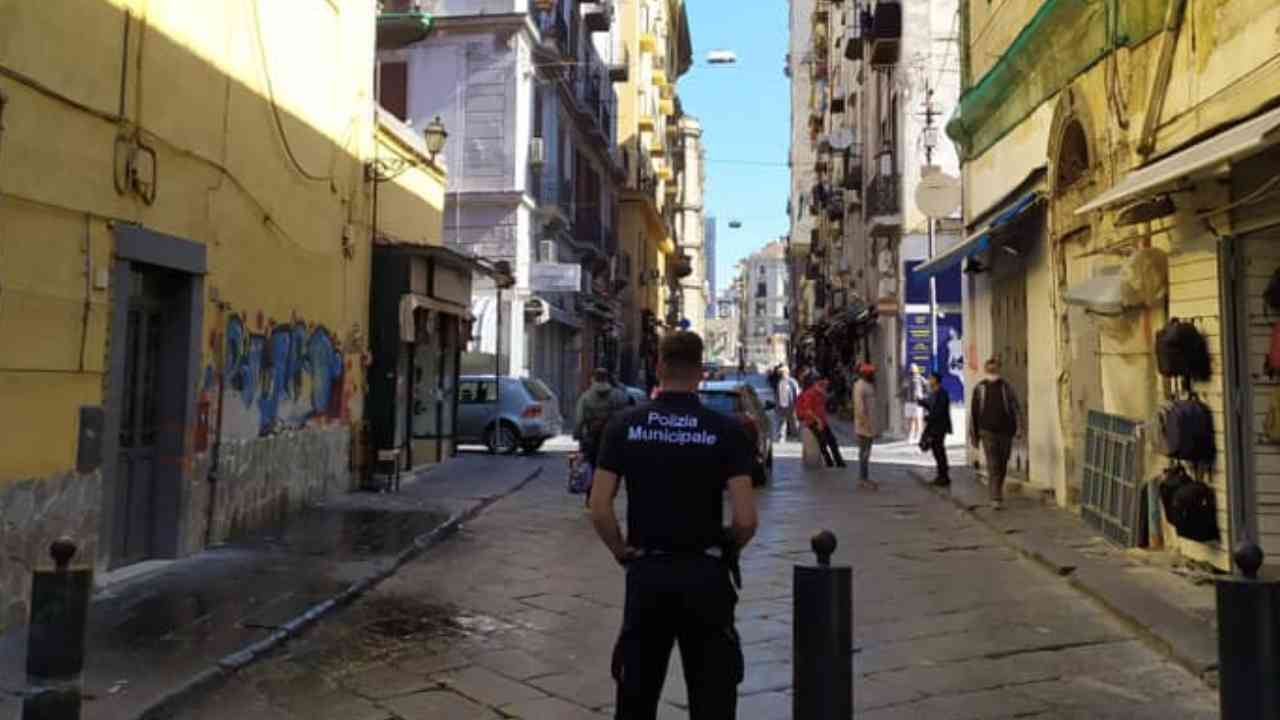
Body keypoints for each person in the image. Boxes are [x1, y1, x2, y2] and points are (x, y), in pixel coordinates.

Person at [589, 331, 759, 719]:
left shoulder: (623, 426)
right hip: (706, 576)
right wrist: (726, 549)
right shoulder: (726, 430)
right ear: (701, 372)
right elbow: (747, 519)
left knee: (636, 696)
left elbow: (599, 507)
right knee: (713, 697)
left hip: (648, 573)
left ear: (659, 367)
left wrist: (621, 551)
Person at [969, 357, 1022, 510]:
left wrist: (1018, 428)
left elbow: (1015, 408)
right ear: (986, 369)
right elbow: (974, 413)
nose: (992, 370)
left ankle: (997, 489)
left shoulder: (1007, 387)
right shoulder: (980, 388)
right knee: (993, 464)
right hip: (987, 431)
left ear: (998, 368)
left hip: (1006, 431)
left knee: (1003, 463)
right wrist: (974, 435)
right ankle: (995, 497)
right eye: (990, 367)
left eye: (995, 367)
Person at [575, 368, 629, 507]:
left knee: (591, 467)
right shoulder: (619, 395)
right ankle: (608, 496)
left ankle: (590, 497)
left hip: (592, 438)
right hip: (613, 437)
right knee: (611, 468)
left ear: (593, 379)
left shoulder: (586, 397)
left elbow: (579, 420)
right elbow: (627, 415)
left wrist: (578, 436)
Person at [796, 376, 846, 468]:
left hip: (822, 421)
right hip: (813, 421)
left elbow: (822, 405)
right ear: (816, 384)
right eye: (822, 385)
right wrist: (818, 421)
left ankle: (838, 461)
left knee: (832, 441)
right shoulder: (810, 394)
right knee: (822, 442)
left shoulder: (820, 394)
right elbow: (808, 410)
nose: (824, 388)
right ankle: (829, 461)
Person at [919, 370, 953, 486]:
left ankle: (944, 476)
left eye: (930, 378)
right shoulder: (933, 392)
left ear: (936, 380)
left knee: (939, 450)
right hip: (934, 425)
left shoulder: (941, 393)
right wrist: (922, 402)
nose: (929, 380)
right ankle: (941, 475)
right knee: (936, 450)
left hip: (939, 426)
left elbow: (939, 410)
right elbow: (931, 406)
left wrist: (929, 417)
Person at [852, 364, 879, 491]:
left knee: (866, 453)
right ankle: (863, 479)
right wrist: (866, 424)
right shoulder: (860, 386)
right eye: (871, 373)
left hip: (870, 425)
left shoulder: (868, 385)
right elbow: (860, 407)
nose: (874, 375)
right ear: (866, 374)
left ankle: (864, 478)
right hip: (864, 426)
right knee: (864, 453)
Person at [902, 364, 926, 443]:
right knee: (910, 420)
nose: (913, 373)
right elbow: (904, 389)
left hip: (917, 402)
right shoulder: (907, 379)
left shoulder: (920, 378)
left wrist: (922, 396)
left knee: (917, 419)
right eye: (911, 371)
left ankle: (919, 436)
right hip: (909, 402)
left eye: (914, 371)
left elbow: (926, 386)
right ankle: (911, 436)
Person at [774, 366, 800, 441]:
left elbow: (797, 394)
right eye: (780, 373)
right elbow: (777, 396)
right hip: (786, 408)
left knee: (791, 426)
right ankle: (783, 442)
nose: (781, 375)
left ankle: (794, 441)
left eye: (782, 373)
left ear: (786, 373)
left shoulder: (790, 382)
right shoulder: (782, 382)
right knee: (784, 427)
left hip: (789, 408)